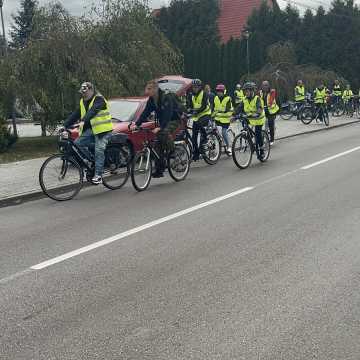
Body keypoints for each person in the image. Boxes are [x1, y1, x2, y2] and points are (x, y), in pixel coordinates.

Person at [64, 82, 113, 185]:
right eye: (82, 93)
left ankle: (98, 175)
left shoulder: (99, 99)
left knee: (99, 149)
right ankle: (92, 161)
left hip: (103, 130)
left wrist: (83, 120)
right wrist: (64, 125)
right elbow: (76, 114)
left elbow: (93, 111)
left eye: (85, 92)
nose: (83, 94)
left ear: (91, 90)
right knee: (77, 143)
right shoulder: (83, 101)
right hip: (91, 130)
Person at [134, 80, 182, 178]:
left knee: (163, 132)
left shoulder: (166, 97)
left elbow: (167, 114)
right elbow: (145, 113)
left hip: (173, 120)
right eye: (147, 88)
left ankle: (173, 151)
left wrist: (160, 127)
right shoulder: (151, 100)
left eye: (149, 89)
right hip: (163, 121)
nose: (147, 91)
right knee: (156, 145)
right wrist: (137, 124)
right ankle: (160, 169)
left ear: (155, 89)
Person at [235, 82, 266, 157]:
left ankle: (262, 150)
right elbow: (238, 108)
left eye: (247, 91)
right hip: (250, 118)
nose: (246, 93)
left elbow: (259, 108)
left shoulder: (257, 98)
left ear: (252, 91)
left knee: (258, 133)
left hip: (258, 118)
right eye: (245, 91)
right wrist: (234, 116)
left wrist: (257, 113)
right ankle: (251, 140)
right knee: (244, 126)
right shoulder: (244, 100)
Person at [188, 79, 212, 161]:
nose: (194, 88)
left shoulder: (204, 94)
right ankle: (196, 153)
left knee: (199, 124)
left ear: (199, 87)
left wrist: (196, 111)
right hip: (197, 116)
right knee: (193, 136)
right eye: (193, 87)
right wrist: (188, 111)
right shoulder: (191, 95)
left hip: (206, 114)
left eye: (196, 87)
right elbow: (190, 106)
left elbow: (204, 106)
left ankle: (205, 138)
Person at [212, 84, 234, 155]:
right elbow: (213, 108)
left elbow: (227, 108)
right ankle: (216, 146)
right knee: (213, 131)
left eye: (220, 91)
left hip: (225, 119)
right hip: (217, 119)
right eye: (217, 91)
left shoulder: (228, 98)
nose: (219, 92)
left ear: (224, 91)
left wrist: (222, 111)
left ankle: (229, 147)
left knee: (224, 132)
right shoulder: (215, 98)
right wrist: (211, 115)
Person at [260, 80, 279, 145]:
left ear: (268, 86)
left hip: (272, 111)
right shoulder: (260, 92)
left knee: (270, 124)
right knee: (262, 124)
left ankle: (272, 139)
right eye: (263, 85)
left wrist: (268, 105)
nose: (265, 86)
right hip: (264, 110)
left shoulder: (272, 92)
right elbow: (259, 100)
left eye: (266, 85)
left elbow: (271, 100)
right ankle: (263, 138)